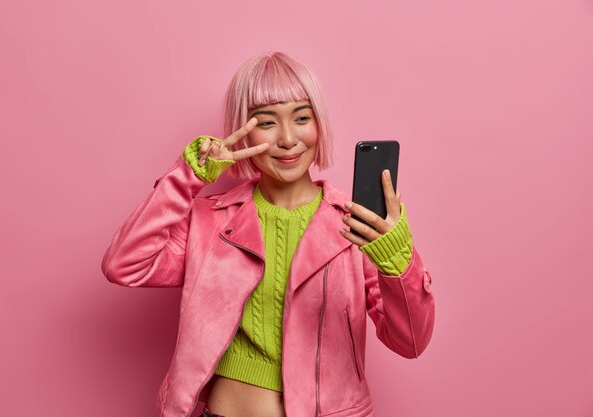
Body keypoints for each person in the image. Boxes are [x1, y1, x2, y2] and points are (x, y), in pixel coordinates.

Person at [101, 51, 435, 417]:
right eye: (267, 122)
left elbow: (410, 342)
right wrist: (190, 174)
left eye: (302, 117)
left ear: (319, 124)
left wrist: (397, 260)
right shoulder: (210, 221)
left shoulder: (358, 225)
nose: (288, 139)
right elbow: (125, 265)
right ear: (243, 131)